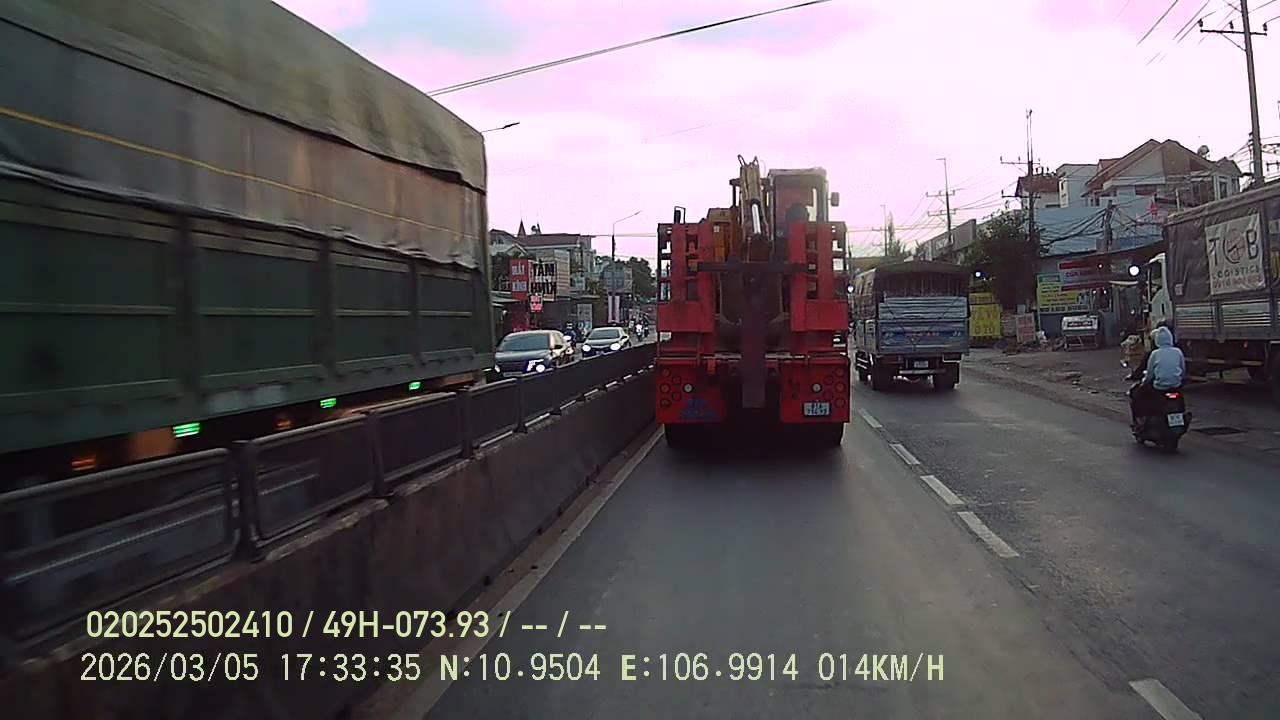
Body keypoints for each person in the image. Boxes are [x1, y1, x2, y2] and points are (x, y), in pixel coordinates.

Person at [1128, 324, 1185, 424]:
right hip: (1176, 385)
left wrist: (1144, 382)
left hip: (1160, 386)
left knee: (1138, 395)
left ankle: (1141, 419)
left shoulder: (1155, 354)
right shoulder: (1178, 352)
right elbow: (1183, 369)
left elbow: (1150, 373)